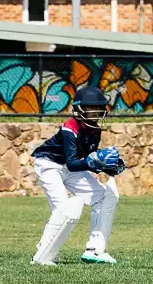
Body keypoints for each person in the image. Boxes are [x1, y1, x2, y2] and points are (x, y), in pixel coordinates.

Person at [30, 83, 121, 266]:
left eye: (99, 108)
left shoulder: (95, 129)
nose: (96, 112)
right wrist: (94, 162)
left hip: (69, 168)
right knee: (64, 209)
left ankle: (95, 251)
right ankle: (41, 255)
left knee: (104, 196)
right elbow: (73, 162)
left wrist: (107, 166)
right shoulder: (69, 128)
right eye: (91, 108)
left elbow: (87, 159)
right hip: (49, 164)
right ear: (79, 109)